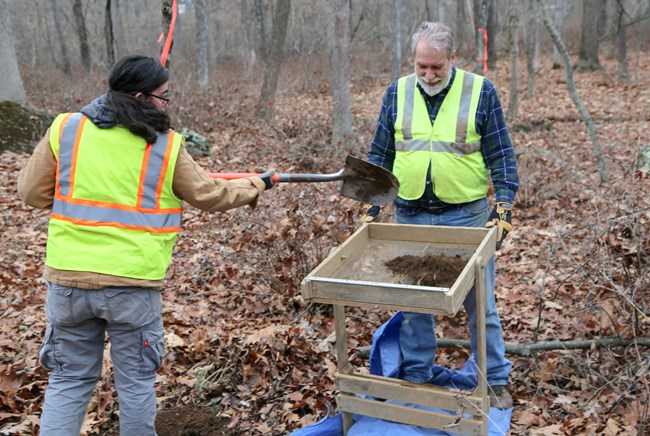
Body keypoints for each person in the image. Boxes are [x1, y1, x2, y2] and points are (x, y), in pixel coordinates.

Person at [17, 54, 275, 435]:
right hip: (131, 285)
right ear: (141, 96)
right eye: (163, 96)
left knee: (69, 380)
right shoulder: (166, 145)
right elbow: (210, 196)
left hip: (68, 282)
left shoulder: (66, 129)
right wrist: (259, 183)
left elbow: (31, 193)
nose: (165, 104)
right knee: (135, 383)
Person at [362, 22, 519, 409]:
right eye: (421, 67)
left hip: (465, 216)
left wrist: (504, 206)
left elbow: (501, 155)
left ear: (453, 58)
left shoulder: (480, 92)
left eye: (437, 67)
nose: (429, 75)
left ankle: (495, 380)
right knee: (414, 302)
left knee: (479, 304)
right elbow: (380, 153)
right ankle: (417, 376)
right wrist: (371, 203)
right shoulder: (396, 92)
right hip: (411, 214)